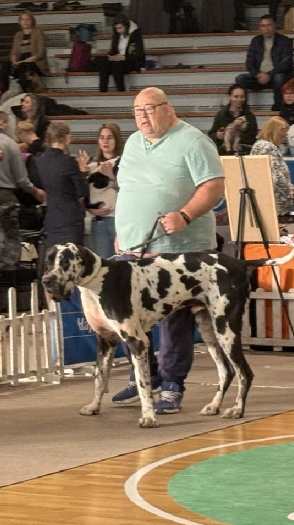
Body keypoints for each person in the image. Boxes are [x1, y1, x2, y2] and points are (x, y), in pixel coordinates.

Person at [112, 86, 225, 413]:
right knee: (126, 316)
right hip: (133, 247)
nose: (142, 117)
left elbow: (214, 185)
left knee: (174, 318)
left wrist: (186, 215)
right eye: (137, 111)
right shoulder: (133, 142)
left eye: (148, 109)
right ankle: (144, 375)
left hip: (179, 249)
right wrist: (123, 230)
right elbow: (129, 188)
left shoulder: (193, 141)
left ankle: (172, 383)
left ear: (167, 108)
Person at [35, 121, 88, 248]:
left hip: (51, 218)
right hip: (70, 220)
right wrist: (82, 171)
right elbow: (82, 191)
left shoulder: (40, 159)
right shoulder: (69, 162)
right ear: (66, 137)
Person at [235, 15, 293, 111]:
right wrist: (257, 74)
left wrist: (269, 75)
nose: (266, 28)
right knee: (240, 79)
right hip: (259, 77)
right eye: (263, 26)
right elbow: (249, 63)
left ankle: (278, 106)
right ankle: (243, 107)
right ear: (259, 28)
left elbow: (286, 63)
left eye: (268, 25)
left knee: (279, 78)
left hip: (276, 76)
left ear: (274, 26)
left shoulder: (284, 41)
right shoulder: (255, 41)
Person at [249, 116, 294, 217]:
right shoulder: (268, 148)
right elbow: (276, 179)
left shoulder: (259, 146)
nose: (283, 140)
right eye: (282, 136)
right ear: (274, 133)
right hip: (275, 207)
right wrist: (292, 191)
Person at [85, 123, 123, 259]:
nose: (105, 141)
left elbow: (132, 189)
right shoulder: (91, 166)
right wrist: (91, 210)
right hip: (98, 221)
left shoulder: (125, 162)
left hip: (119, 220)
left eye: (110, 137)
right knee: (103, 264)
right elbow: (84, 195)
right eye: (102, 137)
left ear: (117, 140)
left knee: (123, 264)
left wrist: (112, 177)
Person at [0, 11, 47, 94]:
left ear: (32, 21)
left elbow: (40, 53)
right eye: (23, 19)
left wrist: (22, 62)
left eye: (28, 19)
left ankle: (26, 92)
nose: (25, 21)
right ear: (19, 22)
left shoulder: (38, 33)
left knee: (22, 67)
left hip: (35, 61)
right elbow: (14, 52)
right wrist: (14, 61)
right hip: (21, 60)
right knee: (5, 66)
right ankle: (4, 91)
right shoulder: (18, 35)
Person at [96, 14, 145, 92]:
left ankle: (121, 90)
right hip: (119, 59)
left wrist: (124, 57)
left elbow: (138, 53)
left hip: (130, 61)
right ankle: (103, 90)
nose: (118, 30)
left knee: (117, 66)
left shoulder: (135, 35)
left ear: (126, 26)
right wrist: (112, 57)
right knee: (104, 63)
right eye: (116, 28)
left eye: (120, 28)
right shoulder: (117, 35)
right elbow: (113, 50)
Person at [208, 84, 258, 155]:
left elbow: (253, 138)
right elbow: (211, 134)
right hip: (224, 149)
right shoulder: (221, 114)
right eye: (236, 97)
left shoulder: (249, 116)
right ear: (229, 97)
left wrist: (237, 136)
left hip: (243, 149)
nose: (239, 99)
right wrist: (217, 135)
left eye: (242, 97)